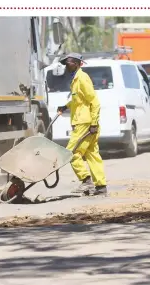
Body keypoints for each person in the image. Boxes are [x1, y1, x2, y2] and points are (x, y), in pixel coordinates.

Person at [56, 53, 108, 196]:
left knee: (71, 153)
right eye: (66, 63)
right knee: (92, 154)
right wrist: (65, 106)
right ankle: (101, 186)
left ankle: (86, 181)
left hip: (85, 124)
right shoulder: (76, 79)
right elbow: (79, 101)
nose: (67, 65)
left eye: (69, 62)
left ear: (78, 63)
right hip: (85, 123)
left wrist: (94, 123)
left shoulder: (82, 78)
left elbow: (94, 102)